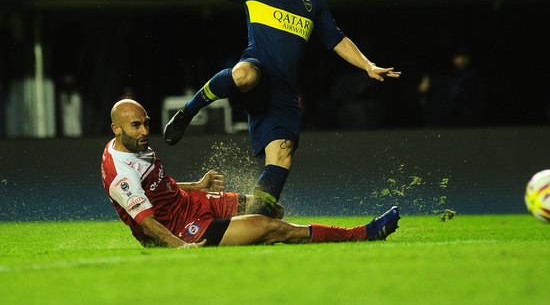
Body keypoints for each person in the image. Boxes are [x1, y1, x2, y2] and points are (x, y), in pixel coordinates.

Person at [153, 0, 401, 218]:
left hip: (283, 94)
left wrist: (367, 65)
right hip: (257, 76)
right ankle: (188, 111)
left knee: (282, 158)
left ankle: (259, 215)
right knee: (245, 72)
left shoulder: (314, 2)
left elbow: (337, 39)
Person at [102, 99, 400, 248]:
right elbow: (148, 222)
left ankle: (251, 237)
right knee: (272, 226)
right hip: (183, 228)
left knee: (273, 208)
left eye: (145, 123)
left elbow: (155, 187)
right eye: (136, 126)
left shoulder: (133, 145)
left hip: (192, 203)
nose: (144, 131)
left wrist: (197, 186)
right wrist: (182, 248)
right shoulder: (120, 174)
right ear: (117, 129)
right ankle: (362, 234)